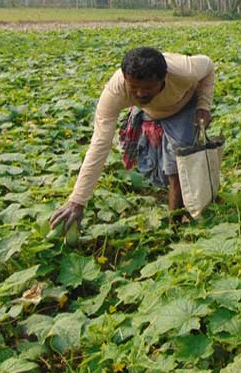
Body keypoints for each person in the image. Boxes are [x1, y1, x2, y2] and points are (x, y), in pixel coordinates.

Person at [49, 47, 215, 234]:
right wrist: (77, 200)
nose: (141, 93)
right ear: (126, 79)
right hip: (148, 111)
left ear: (163, 79)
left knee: (178, 165)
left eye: (148, 87)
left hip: (183, 106)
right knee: (152, 161)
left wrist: (203, 105)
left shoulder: (185, 70)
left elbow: (208, 66)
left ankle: (174, 226)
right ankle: (176, 202)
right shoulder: (116, 90)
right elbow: (99, 144)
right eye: (134, 87)